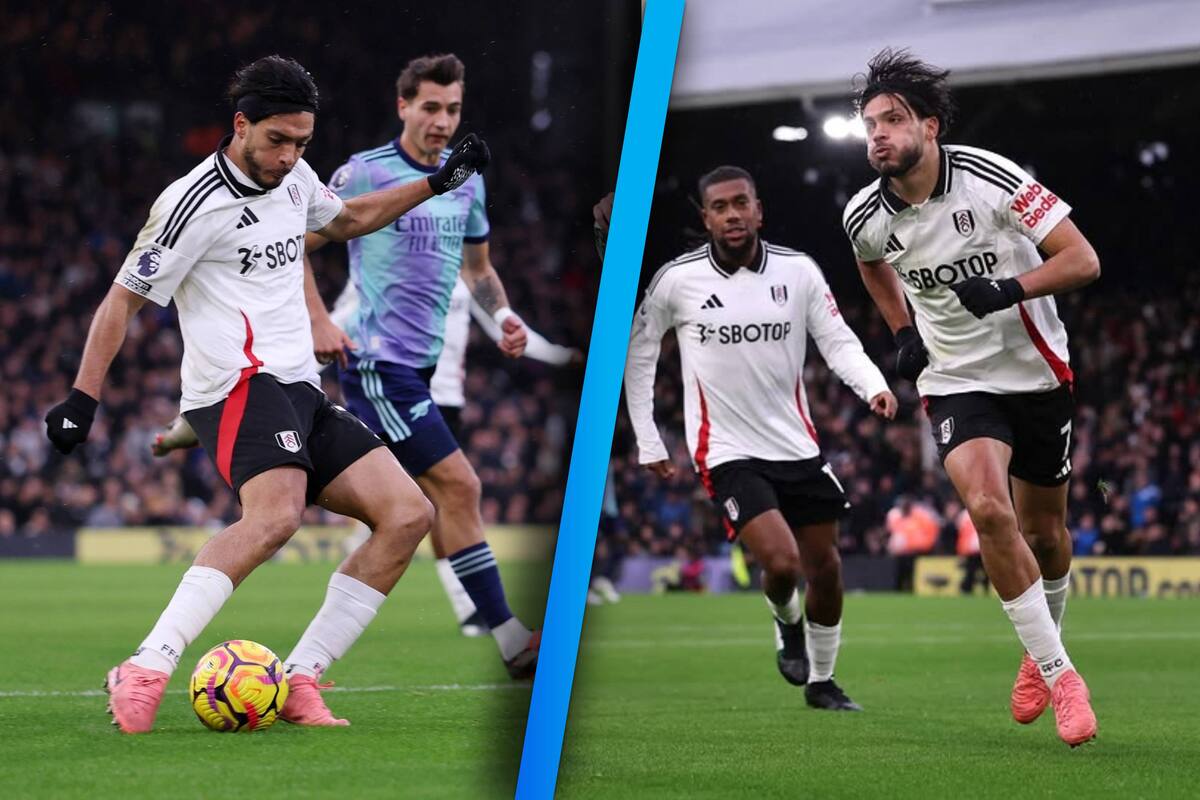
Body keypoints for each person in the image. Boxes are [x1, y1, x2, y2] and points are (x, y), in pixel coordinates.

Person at [42, 55, 488, 734]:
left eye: (302, 144)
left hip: (298, 386)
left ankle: (302, 678)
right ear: (241, 124)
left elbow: (347, 221)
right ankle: (145, 665)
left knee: (407, 514)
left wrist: (435, 184)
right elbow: (120, 302)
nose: (289, 157)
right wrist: (83, 399)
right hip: (235, 385)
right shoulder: (189, 204)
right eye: (278, 141)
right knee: (275, 517)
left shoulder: (297, 176)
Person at [843, 48, 1100, 745]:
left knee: (1045, 533)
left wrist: (1011, 288)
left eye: (892, 120)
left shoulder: (992, 178)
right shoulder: (864, 214)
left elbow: (1083, 259)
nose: (878, 135)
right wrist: (901, 330)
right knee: (989, 510)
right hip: (955, 378)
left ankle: (1037, 648)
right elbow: (871, 266)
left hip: (1037, 371)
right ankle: (1061, 672)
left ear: (929, 126)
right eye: (869, 124)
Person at [625, 165, 897, 711]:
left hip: (798, 446)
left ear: (758, 210)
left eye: (740, 203)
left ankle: (822, 681)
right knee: (782, 563)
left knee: (827, 568)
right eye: (720, 206)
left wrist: (873, 384)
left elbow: (837, 340)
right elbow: (638, 352)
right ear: (705, 218)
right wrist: (648, 437)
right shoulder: (677, 281)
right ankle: (785, 620)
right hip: (726, 451)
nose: (732, 214)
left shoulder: (798, 272)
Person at [302, 53, 540, 676]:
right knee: (457, 487)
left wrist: (505, 317)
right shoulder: (362, 175)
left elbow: (479, 271)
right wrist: (321, 321)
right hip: (376, 364)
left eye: (453, 109)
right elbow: (291, 245)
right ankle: (514, 640)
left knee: (412, 508)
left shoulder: (469, 179)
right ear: (403, 105)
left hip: (421, 369)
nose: (442, 121)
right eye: (430, 107)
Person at [321, 275, 580, 636]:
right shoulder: (384, 258)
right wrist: (306, 369)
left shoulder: (464, 273)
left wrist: (558, 355)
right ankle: (478, 614)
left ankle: (473, 611)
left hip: (445, 401)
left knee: (441, 499)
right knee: (445, 494)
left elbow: (501, 322)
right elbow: (340, 317)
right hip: (396, 393)